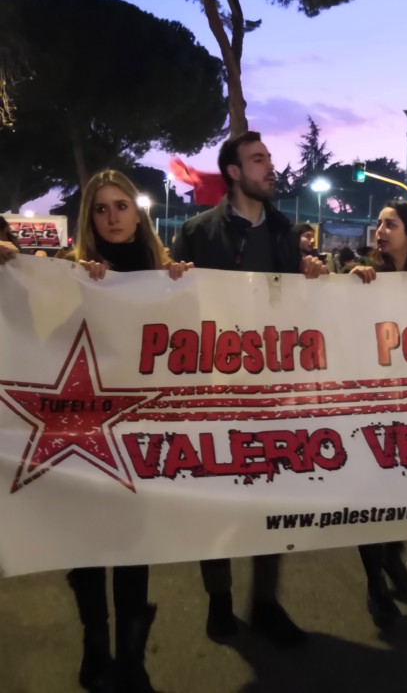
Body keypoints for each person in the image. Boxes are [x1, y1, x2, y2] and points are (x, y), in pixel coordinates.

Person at [173, 131, 326, 648]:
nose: (270, 167)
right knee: (216, 496)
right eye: (258, 160)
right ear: (234, 172)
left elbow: (302, 310)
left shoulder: (286, 232)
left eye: (269, 158)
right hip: (214, 391)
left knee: (272, 494)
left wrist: (314, 277)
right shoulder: (197, 232)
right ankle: (219, 599)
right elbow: (173, 312)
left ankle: (265, 602)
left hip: (275, 391)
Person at [67, 169, 190, 693]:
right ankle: (96, 648)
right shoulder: (68, 275)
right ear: (89, 220)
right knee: (88, 549)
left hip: (144, 436)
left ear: (138, 215)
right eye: (101, 209)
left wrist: (185, 287)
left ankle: (132, 659)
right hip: (85, 435)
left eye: (122, 206)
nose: (113, 217)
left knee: (134, 549)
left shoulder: (168, 274)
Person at [349, 201, 407, 627]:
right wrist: (348, 286)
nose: (380, 230)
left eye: (390, 224)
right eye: (379, 223)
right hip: (371, 405)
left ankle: (392, 555)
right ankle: (375, 583)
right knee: (372, 495)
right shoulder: (364, 277)